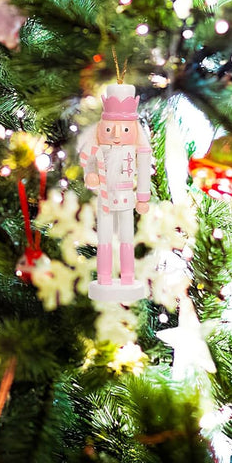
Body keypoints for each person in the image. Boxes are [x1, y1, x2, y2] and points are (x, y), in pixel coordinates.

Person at [78, 82, 152, 303]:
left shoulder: (136, 150)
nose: (117, 135)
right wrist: (90, 175)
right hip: (105, 198)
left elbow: (144, 170)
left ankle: (128, 276)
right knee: (104, 238)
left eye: (125, 129)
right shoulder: (99, 149)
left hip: (127, 198)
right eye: (110, 129)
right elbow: (89, 163)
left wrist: (143, 197)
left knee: (127, 237)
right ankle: (104, 276)